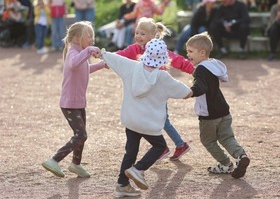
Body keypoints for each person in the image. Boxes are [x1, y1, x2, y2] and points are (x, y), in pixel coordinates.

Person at [100, 39, 193, 197]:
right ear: (164, 58)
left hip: (130, 120)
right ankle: (138, 169)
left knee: (130, 152)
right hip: (149, 123)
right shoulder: (163, 77)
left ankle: (122, 185)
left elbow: (115, 59)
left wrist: (101, 53)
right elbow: (186, 93)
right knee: (160, 147)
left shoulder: (131, 67)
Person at [116, 17, 194, 161]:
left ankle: (175, 145)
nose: (138, 36)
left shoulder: (160, 49)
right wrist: (107, 59)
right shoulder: (134, 48)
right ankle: (168, 146)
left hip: (158, 93)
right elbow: (121, 56)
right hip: (146, 92)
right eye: (137, 32)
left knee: (162, 120)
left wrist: (194, 71)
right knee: (152, 119)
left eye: (143, 34)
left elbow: (178, 60)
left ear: (153, 36)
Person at [42, 21, 107, 178]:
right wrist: (90, 50)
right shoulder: (73, 52)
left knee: (81, 135)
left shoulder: (81, 54)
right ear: (77, 38)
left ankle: (75, 165)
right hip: (69, 104)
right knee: (81, 135)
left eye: (93, 35)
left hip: (78, 103)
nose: (92, 38)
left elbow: (84, 69)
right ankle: (54, 160)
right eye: (89, 36)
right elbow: (73, 63)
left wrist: (101, 64)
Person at [185, 31, 250, 179]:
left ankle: (225, 164)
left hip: (209, 114)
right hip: (223, 110)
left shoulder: (200, 69)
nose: (187, 54)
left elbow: (201, 87)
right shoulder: (213, 64)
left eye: (190, 51)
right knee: (227, 137)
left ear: (202, 52)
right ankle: (241, 155)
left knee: (208, 140)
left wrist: (189, 92)